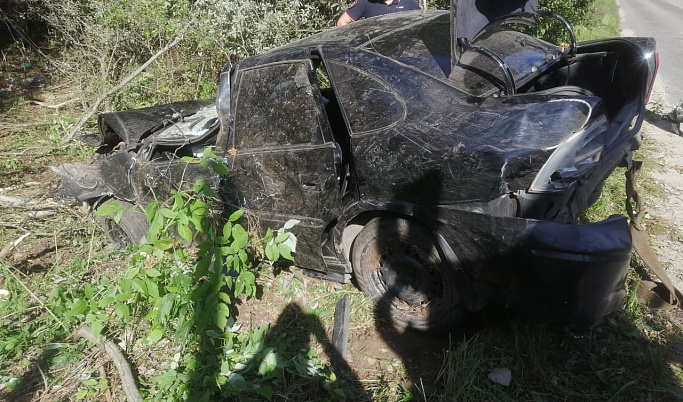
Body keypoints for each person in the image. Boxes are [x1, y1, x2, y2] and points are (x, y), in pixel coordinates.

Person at [336, 0, 421, 27]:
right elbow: (341, 22)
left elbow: (421, 24)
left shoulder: (409, 2)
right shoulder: (365, 2)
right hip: (374, 56)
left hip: (405, 55)